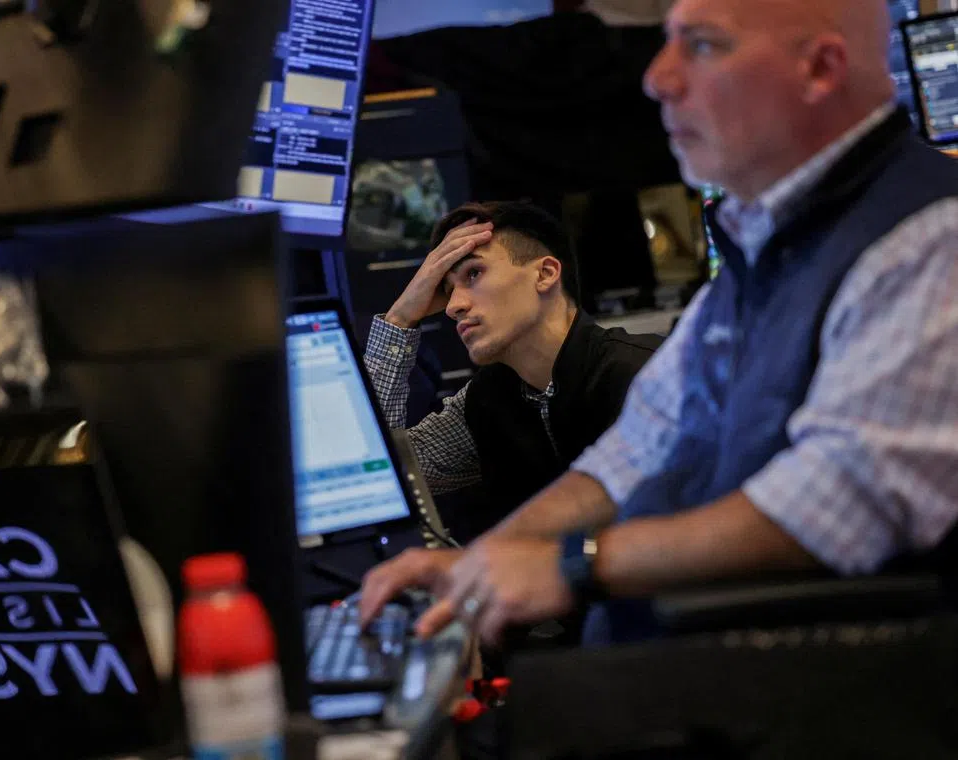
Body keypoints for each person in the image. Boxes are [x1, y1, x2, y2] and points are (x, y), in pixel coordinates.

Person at [360, 0, 958, 647]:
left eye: (700, 45)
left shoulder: (927, 239)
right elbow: (642, 443)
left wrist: (573, 564)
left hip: (840, 685)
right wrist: (483, 562)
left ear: (819, 69)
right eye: (665, 41)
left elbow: (835, 505)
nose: (658, 77)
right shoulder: (766, 251)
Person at [364, 201, 662, 536]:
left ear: (545, 273)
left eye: (473, 274)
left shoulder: (647, 376)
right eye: (447, 290)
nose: (453, 306)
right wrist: (400, 319)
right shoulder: (487, 399)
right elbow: (373, 482)